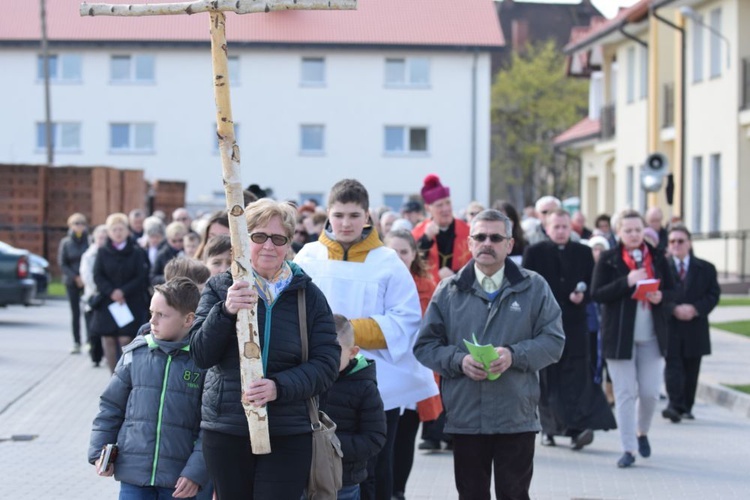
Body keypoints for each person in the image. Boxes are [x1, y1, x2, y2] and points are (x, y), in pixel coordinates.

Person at [295, 179, 437, 500]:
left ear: (367, 217)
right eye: (339, 214)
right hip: (317, 376)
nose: (346, 223)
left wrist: (345, 334)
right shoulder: (308, 257)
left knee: (374, 466)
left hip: (372, 378)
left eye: (354, 215)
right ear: (328, 214)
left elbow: (405, 321)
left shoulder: (387, 262)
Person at [190, 199, 340, 499]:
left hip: (288, 429)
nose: (268, 246)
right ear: (244, 240)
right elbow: (200, 354)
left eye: (278, 238)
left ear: (289, 243)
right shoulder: (221, 287)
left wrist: (278, 387)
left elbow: (327, 364)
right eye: (259, 236)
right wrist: (226, 311)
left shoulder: (307, 295)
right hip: (228, 427)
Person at [414, 208, 564, 500]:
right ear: (469, 243)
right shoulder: (448, 290)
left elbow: (554, 341)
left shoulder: (534, 287)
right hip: (466, 416)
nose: (487, 243)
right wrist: (459, 361)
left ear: (510, 245)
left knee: (514, 494)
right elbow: (425, 346)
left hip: (516, 415)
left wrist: (514, 355)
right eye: (480, 237)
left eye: (496, 237)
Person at [89, 277, 208, 499]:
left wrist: (196, 472)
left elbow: (209, 426)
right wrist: (100, 452)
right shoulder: (135, 354)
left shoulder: (203, 361)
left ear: (188, 319)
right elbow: (110, 407)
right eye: (151, 312)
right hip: (134, 476)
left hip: (180, 480)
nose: (152, 320)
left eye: (161, 315)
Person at [523, 209, 616, 450]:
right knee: (548, 379)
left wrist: (582, 296)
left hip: (575, 325)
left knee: (576, 379)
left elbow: (592, 286)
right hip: (544, 326)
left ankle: (577, 429)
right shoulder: (535, 252)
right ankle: (549, 429)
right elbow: (527, 288)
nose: (561, 231)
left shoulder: (583, 253)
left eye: (565, 227)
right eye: (557, 227)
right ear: (547, 228)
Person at [591, 209, 676, 468]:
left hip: (651, 335)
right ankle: (628, 448)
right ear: (619, 232)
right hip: (619, 337)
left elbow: (673, 290)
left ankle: (642, 432)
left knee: (650, 393)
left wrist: (662, 297)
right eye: (628, 230)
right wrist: (627, 281)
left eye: (638, 230)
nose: (634, 234)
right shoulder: (608, 259)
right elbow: (597, 293)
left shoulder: (659, 257)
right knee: (625, 394)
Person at [383, 230, 443, 500]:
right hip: (384, 370)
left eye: (404, 252)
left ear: (413, 255)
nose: (398, 258)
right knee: (383, 439)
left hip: (413, 369)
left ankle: (398, 491)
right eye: (392, 252)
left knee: (406, 436)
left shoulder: (427, 286)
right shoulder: (379, 280)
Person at [321, 315, 387, 500]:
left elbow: (375, 438)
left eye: (335, 352)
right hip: (302, 478)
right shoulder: (308, 379)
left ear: (352, 352)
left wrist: (331, 447)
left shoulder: (364, 387)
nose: (327, 358)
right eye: (320, 350)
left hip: (344, 481)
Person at [662, 224, 720, 422]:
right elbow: (656, 296)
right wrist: (673, 309)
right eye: (672, 241)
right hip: (672, 325)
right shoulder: (662, 267)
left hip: (695, 326)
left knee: (691, 367)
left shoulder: (706, 268)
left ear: (689, 243)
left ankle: (686, 405)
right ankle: (674, 405)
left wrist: (695, 309)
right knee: (673, 366)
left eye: (680, 241)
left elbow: (713, 294)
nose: (676, 245)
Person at [91, 213, 150, 373]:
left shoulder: (136, 251)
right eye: (114, 229)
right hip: (108, 301)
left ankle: (125, 373)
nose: (118, 232)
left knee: (126, 338)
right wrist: (111, 292)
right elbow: (97, 275)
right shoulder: (103, 252)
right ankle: (113, 376)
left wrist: (123, 291)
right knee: (108, 338)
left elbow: (140, 276)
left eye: (121, 229)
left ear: (127, 231)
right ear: (109, 232)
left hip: (129, 300)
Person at [412, 174, 472, 282]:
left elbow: (477, 265)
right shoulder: (417, 233)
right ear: (428, 208)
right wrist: (425, 240)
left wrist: (455, 275)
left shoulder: (468, 231)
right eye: (439, 205)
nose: (446, 209)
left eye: (448, 203)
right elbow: (412, 264)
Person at [58, 213, 90, 354]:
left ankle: (89, 341)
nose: (78, 226)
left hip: (86, 281)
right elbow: (62, 263)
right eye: (76, 223)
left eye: (81, 223)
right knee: (75, 312)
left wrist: (84, 278)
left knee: (88, 311)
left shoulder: (88, 241)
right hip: (71, 281)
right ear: (70, 225)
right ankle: (76, 342)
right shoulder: (65, 242)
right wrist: (75, 277)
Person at [80, 225, 108, 367]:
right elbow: (87, 276)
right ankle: (95, 355)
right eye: (100, 238)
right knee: (93, 328)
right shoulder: (89, 255)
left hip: (107, 295)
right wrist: (101, 288)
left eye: (105, 238)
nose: (102, 241)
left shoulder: (110, 253)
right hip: (94, 295)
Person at [492, 200, 526, 264]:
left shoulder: (524, 244)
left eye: (508, 219)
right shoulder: (488, 243)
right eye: (500, 219)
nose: (505, 223)